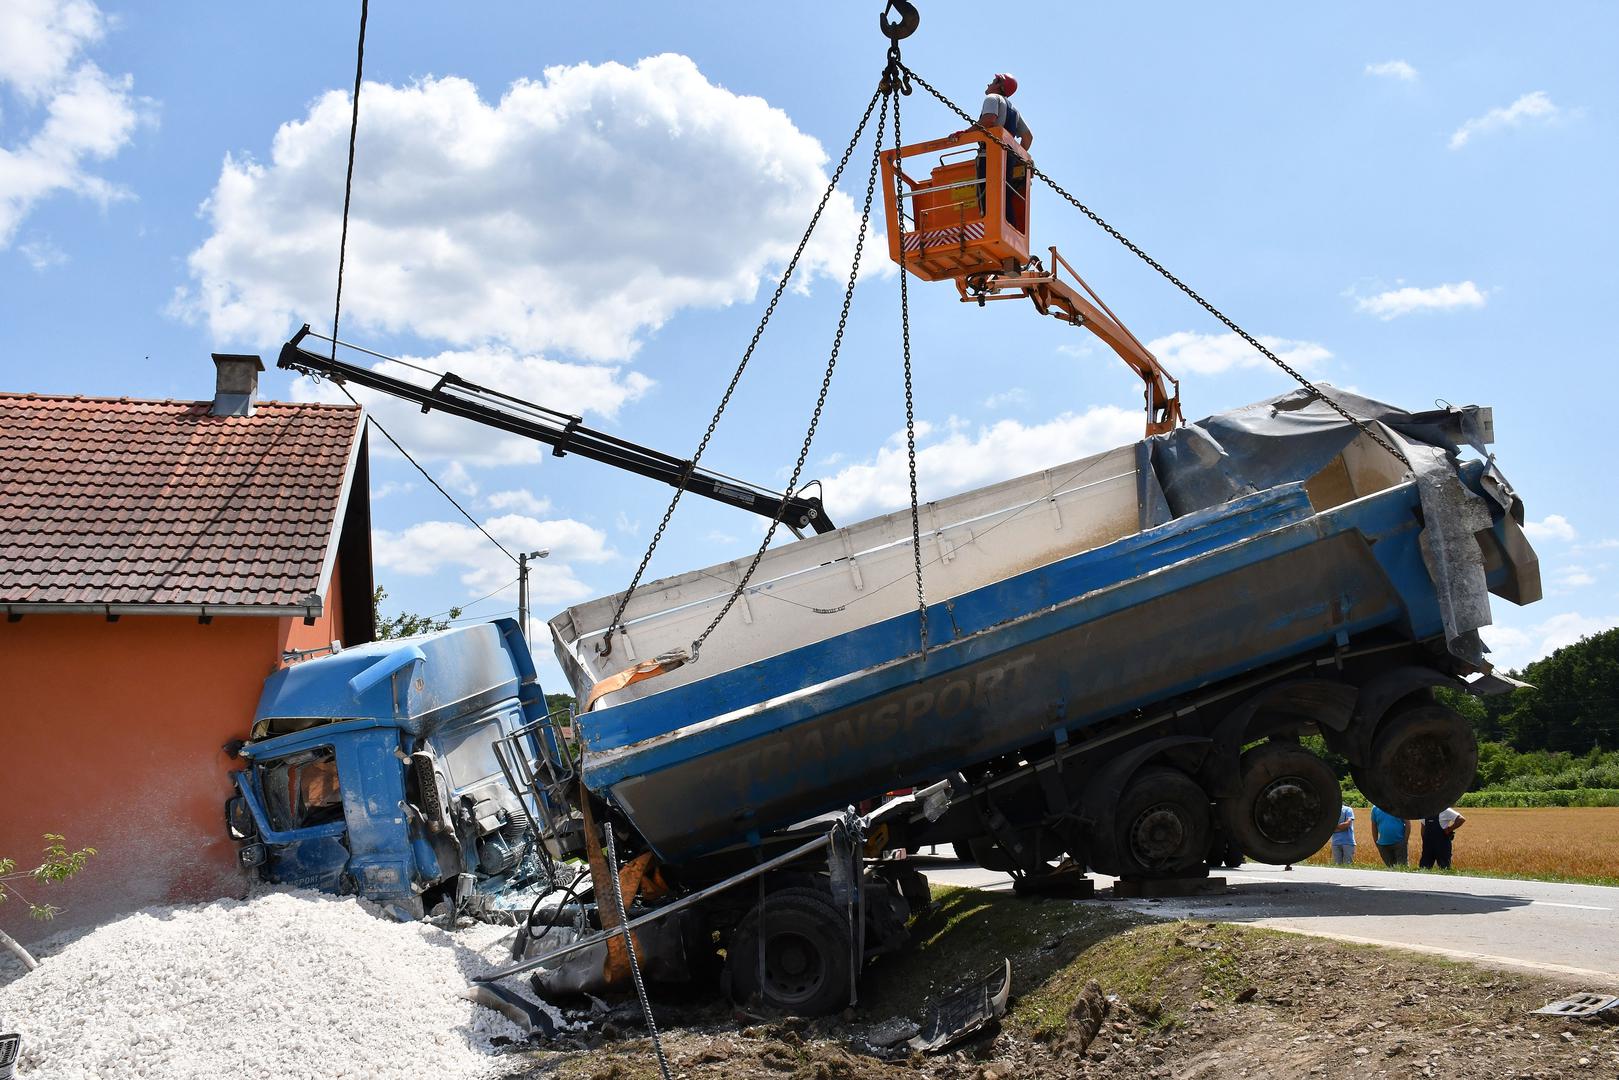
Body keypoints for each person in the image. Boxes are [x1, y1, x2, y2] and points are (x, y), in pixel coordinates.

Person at [974, 73, 1033, 234]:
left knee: (986, 194)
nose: (989, 83)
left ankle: (989, 230)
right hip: (1006, 161)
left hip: (989, 156)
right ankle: (1009, 231)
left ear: (999, 86)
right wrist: (1015, 154)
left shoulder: (992, 98)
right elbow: (1028, 138)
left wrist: (966, 132)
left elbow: (988, 119)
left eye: (993, 81)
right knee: (1004, 195)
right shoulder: (1014, 110)